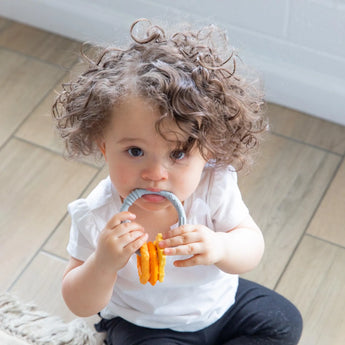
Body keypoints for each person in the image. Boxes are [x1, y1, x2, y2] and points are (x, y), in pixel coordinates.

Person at [53, 19, 303, 345]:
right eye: (135, 151)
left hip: (220, 305)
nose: (156, 173)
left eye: (179, 154)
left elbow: (251, 247)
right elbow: (78, 302)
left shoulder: (214, 186)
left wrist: (221, 246)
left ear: (208, 150)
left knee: (283, 322)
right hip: (144, 324)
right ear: (103, 146)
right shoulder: (98, 215)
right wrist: (102, 264)